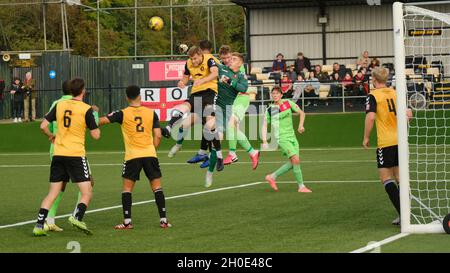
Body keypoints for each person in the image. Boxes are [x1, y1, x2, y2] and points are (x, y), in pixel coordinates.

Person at [32, 78, 101, 236]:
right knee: (87, 191)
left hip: (58, 154)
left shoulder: (59, 105)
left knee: (53, 192)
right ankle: (77, 217)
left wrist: (51, 136)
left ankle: (38, 225)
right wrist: (95, 118)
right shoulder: (86, 109)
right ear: (82, 91)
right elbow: (96, 135)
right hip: (75, 154)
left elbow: (43, 126)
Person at [99, 85, 170, 229]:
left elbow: (102, 121)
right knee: (157, 188)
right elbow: (157, 135)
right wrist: (151, 149)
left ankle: (127, 222)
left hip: (132, 156)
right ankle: (163, 220)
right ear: (140, 96)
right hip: (150, 154)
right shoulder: (151, 113)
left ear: (126, 97)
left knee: (127, 189)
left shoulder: (122, 113)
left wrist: (92, 117)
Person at [363, 67, 412, 225]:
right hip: (401, 140)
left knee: (385, 178)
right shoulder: (395, 92)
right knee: (400, 177)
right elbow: (408, 114)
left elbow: (370, 118)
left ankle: (404, 215)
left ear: (374, 80)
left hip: (386, 142)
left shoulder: (373, 95)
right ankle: (406, 212)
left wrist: (365, 137)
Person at [161, 46, 223, 171]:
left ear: (200, 55)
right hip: (195, 94)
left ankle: (218, 156)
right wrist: (182, 82)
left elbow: (215, 73)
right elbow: (185, 77)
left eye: (195, 58)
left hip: (210, 92)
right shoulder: (188, 63)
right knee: (183, 107)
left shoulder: (209, 59)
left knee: (210, 126)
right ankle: (169, 127)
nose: (193, 61)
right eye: (191, 59)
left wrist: (202, 80)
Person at [44, 80, 93, 232]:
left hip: (57, 148)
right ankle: (77, 216)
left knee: (59, 186)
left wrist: (52, 136)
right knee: (88, 182)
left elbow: (48, 124)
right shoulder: (81, 106)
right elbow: (93, 127)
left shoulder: (56, 103)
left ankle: (49, 220)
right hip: (72, 150)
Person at [205, 53, 259, 187]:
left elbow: (243, 88)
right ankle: (211, 170)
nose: (230, 60)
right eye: (229, 58)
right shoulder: (224, 68)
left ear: (240, 63)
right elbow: (211, 63)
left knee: (228, 127)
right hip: (221, 106)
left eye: (233, 59)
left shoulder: (240, 74)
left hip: (235, 104)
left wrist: (229, 81)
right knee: (214, 133)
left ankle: (231, 154)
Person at [262, 86, 312, 193]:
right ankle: (301, 187)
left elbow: (302, 113)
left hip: (292, 136)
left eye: (276, 93)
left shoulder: (288, 103)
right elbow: (264, 125)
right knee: (296, 160)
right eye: (273, 93)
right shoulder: (270, 110)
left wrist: (300, 126)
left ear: (281, 94)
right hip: (281, 138)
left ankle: (272, 176)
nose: (274, 95)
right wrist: (265, 141)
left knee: (293, 162)